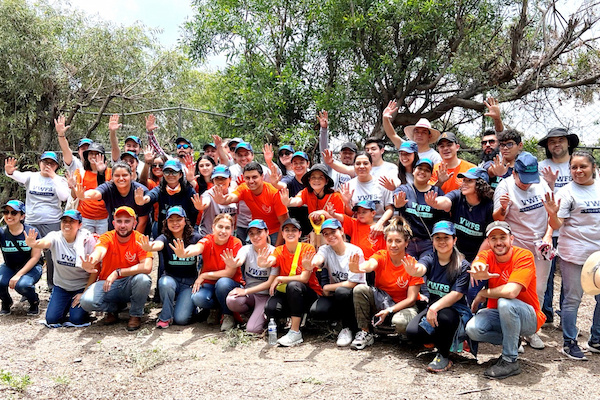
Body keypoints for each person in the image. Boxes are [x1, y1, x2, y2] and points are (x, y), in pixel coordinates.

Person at [466, 221, 545, 379]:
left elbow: (511, 292)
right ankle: (513, 342)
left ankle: (510, 361)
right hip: (500, 314)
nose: (499, 242)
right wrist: (477, 268)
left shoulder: (524, 256)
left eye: (503, 237)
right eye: (493, 238)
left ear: (512, 239)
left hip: (529, 317)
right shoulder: (487, 255)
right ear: (488, 242)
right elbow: (479, 262)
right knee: (473, 329)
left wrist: (483, 293)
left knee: (505, 302)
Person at [543, 150, 600, 360]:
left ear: (593, 167)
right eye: (574, 167)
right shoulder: (566, 192)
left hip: (598, 256)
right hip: (574, 254)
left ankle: (596, 339)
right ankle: (569, 342)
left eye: (582, 166)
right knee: (572, 299)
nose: (578, 171)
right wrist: (552, 213)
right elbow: (557, 224)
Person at [493, 151, 552, 350]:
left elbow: (552, 213)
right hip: (517, 246)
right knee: (516, 291)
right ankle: (515, 334)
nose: (527, 184)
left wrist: (548, 236)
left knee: (539, 290)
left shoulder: (541, 183)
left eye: (530, 179)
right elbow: (497, 219)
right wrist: (503, 208)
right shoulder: (505, 186)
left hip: (540, 246)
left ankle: (533, 330)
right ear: (514, 173)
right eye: (523, 179)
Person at [404, 221, 471, 372]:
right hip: (433, 309)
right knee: (413, 333)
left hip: (455, 310)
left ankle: (444, 355)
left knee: (445, 317)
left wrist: (434, 307)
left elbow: (456, 294)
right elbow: (420, 269)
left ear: (454, 240)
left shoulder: (463, 265)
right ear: (432, 241)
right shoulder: (430, 258)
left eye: (446, 237)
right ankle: (442, 340)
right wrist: (413, 271)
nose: (442, 242)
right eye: (437, 238)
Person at [349, 217, 424, 350]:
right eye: (390, 241)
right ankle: (365, 332)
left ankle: (404, 334)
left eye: (398, 241)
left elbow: (411, 299)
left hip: (404, 306)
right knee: (360, 289)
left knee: (399, 322)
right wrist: (359, 268)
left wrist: (389, 310)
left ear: (406, 243)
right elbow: (370, 264)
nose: (393, 245)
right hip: (382, 300)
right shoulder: (381, 256)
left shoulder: (412, 265)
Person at [79, 206, 153, 331]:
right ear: (113, 223)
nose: (122, 225)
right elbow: (100, 251)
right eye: (119, 221)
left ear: (134, 223)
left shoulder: (140, 239)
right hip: (108, 284)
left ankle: (135, 314)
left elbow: (147, 266)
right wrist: (92, 261)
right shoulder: (107, 237)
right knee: (86, 302)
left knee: (143, 279)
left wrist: (119, 272)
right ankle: (113, 309)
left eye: (127, 221)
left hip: (130, 283)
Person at [5, 152, 70, 290]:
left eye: (51, 163)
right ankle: (26, 284)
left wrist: (53, 177)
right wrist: (9, 172)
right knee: (27, 253)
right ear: (39, 163)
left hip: (52, 221)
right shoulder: (31, 176)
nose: (47, 165)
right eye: (45, 162)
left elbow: (64, 197)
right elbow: (16, 175)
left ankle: (53, 285)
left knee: (52, 254)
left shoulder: (60, 180)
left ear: (56, 166)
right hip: (32, 221)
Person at [25, 210, 97, 326]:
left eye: (72, 221)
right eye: (64, 221)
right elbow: (44, 242)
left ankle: (80, 307)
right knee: (52, 319)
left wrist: (85, 292)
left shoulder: (88, 240)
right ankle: (65, 304)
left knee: (77, 319)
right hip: (62, 286)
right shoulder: (55, 236)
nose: (67, 224)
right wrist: (34, 244)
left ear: (80, 225)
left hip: (81, 286)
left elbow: (94, 271)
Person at [172, 213, 243, 331]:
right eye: (220, 227)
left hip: (230, 283)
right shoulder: (207, 240)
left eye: (227, 228)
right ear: (213, 227)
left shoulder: (235, 243)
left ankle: (227, 315)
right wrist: (184, 253)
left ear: (232, 230)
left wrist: (204, 275)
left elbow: (229, 274)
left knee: (223, 283)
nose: (223, 231)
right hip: (210, 284)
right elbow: (196, 248)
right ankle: (215, 309)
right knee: (197, 298)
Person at [537, 127, 580, 325]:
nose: (556, 144)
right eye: (552, 141)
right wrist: (550, 185)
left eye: (560, 140)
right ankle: (545, 314)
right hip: (548, 228)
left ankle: (566, 316)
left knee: (569, 277)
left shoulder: (578, 165)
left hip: (574, 229)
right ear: (547, 145)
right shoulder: (540, 167)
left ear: (568, 142)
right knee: (546, 273)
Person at [260, 218, 322, 346]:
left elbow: (304, 278)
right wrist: (263, 262)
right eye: (287, 230)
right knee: (270, 308)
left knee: (294, 286)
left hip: (307, 293)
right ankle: (286, 322)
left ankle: (295, 331)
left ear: (300, 234)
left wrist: (280, 278)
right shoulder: (279, 250)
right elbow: (271, 260)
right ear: (282, 234)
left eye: (294, 230)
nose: (290, 233)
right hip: (290, 294)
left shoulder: (307, 248)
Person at [138, 206, 201, 328]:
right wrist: (150, 247)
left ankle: (187, 306)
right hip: (171, 279)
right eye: (171, 220)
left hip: (189, 284)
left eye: (178, 219)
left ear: (185, 221)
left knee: (181, 319)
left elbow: (204, 253)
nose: (175, 223)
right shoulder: (165, 237)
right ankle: (165, 317)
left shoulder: (195, 238)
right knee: (165, 283)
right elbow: (158, 244)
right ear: (166, 222)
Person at [309, 219, 366, 347]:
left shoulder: (355, 251)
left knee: (342, 291)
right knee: (317, 310)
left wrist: (328, 286)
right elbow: (319, 258)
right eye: (326, 234)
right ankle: (338, 322)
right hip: (337, 293)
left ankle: (349, 328)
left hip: (355, 294)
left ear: (341, 231)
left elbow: (352, 283)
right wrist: (312, 262)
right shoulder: (325, 249)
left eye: (333, 232)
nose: (330, 236)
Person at [424, 167, 494, 263]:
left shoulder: (489, 206)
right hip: (454, 253)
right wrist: (435, 203)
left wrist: (478, 260)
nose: (464, 183)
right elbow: (446, 201)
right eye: (464, 180)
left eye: (469, 181)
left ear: (481, 185)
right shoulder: (458, 195)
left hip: (476, 254)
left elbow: (488, 238)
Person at [213, 162, 289, 245]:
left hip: (275, 231)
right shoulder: (244, 188)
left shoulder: (274, 193)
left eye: (254, 177)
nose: (251, 181)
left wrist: (277, 248)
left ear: (262, 177)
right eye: (247, 178)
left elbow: (284, 222)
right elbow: (232, 197)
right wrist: (223, 200)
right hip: (257, 230)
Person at [225, 219, 277, 334]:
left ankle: (262, 317)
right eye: (251, 233)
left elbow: (269, 283)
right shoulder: (246, 249)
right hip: (250, 295)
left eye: (259, 232)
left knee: (253, 330)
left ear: (267, 232)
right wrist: (234, 263)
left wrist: (245, 291)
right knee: (231, 300)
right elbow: (239, 260)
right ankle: (249, 314)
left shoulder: (275, 252)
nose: (255, 236)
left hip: (265, 296)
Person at [394, 158, 449, 259]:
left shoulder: (436, 192)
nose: (422, 172)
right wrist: (398, 204)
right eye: (420, 168)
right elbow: (396, 202)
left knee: (425, 269)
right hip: (407, 242)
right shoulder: (404, 189)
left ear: (431, 174)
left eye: (427, 170)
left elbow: (443, 218)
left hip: (428, 242)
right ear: (414, 171)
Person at [75, 161, 151, 233]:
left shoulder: (140, 191)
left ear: (131, 176)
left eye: (125, 175)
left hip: (138, 233)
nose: (121, 178)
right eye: (117, 175)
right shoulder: (109, 187)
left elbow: (142, 221)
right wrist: (84, 195)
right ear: (112, 177)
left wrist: (135, 242)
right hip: (115, 232)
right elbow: (96, 193)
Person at [0, 200, 43, 315]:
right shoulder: (2, 232)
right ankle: (6, 301)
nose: (9, 216)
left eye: (14, 213)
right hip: (10, 266)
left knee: (22, 285)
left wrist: (18, 275)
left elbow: (35, 257)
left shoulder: (31, 231)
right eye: (6, 212)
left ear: (22, 216)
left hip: (31, 267)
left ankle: (33, 301)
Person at [135, 159, 198, 235]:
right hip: (165, 233)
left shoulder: (188, 190)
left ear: (180, 174)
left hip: (186, 232)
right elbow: (152, 195)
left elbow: (195, 211)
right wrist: (143, 200)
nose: (170, 175)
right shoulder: (160, 189)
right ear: (163, 174)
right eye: (167, 172)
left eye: (174, 172)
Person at [340, 152, 394, 227]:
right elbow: (349, 215)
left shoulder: (382, 183)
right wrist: (347, 203)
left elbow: (389, 209)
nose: (361, 167)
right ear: (354, 166)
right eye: (358, 164)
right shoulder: (348, 186)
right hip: (359, 229)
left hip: (380, 228)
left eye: (365, 163)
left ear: (371, 165)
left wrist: (379, 224)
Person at [72, 142, 112, 234]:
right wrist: (72, 186)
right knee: (86, 243)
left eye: (96, 154)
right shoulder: (80, 172)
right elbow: (75, 196)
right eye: (91, 153)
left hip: (104, 217)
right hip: (85, 216)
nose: (93, 156)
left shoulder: (110, 173)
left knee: (101, 243)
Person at [193, 165, 238, 237]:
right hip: (209, 236)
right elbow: (205, 201)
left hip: (228, 236)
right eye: (217, 178)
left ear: (230, 179)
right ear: (213, 180)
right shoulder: (208, 194)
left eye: (223, 178)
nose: (220, 181)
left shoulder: (234, 193)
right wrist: (201, 206)